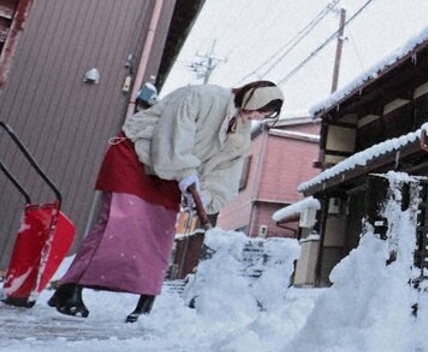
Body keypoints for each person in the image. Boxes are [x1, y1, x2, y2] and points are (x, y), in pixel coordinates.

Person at [48, 81, 284, 322]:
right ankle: (70, 290)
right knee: (120, 224)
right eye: (260, 109)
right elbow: (174, 134)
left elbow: (226, 173)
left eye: (263, 116)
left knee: (159, 235)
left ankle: (144, 306)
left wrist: (208, 196)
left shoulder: (241, 134)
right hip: (138, 155)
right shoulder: (203, 96)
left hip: (172, 173)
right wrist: (185, 169)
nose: (256, 116)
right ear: (252, 97)